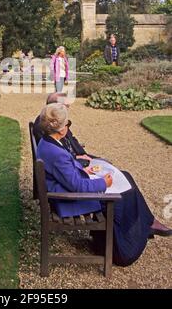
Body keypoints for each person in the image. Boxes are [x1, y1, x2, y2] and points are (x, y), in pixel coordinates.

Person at [37, 103, 172, 267]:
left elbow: (67, 174)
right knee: (123, 196)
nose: (68, 126)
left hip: (66, 189)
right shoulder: (56, 153)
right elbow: (77, 187)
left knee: (126, 176)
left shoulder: (48, 142)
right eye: (67, 124)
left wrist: (85, 170)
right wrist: (103, 182)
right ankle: (124, 250)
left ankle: (145, 223)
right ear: (61, 129)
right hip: (68, 200)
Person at [33, 92, 94, 167]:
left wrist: (83, 154)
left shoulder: (55, 120)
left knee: (104, 163)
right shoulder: (46, 125)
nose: (68, 109)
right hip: (66, 163)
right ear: (56, 107)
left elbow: (71, 138)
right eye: (66, 106)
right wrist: (76, 157)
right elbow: (54, 153)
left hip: (72, 157)